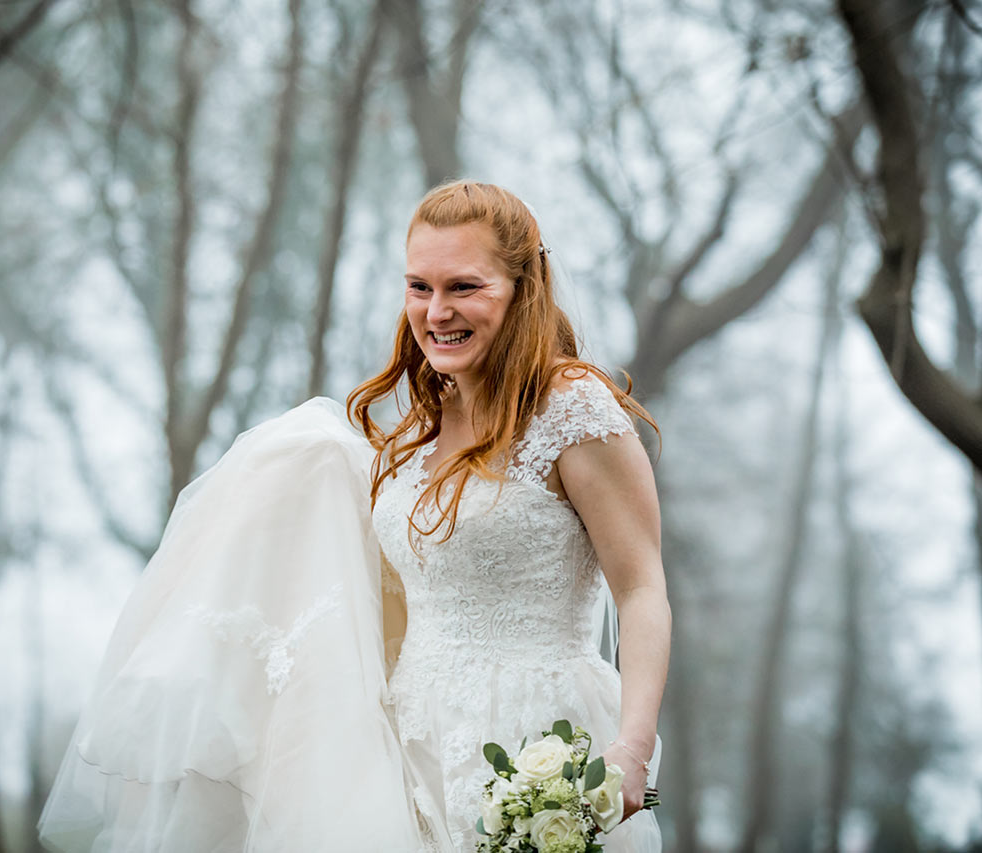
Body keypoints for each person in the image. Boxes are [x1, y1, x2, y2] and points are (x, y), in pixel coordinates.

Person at [38, 180, 669, 852]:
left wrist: (631, 749)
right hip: (403, 744)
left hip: (535, 739)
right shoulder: (425, 424)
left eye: (464, 286)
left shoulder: (572, 409)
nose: (436, 311)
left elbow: (642, 589)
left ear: (522, 287)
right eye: (419, 287)